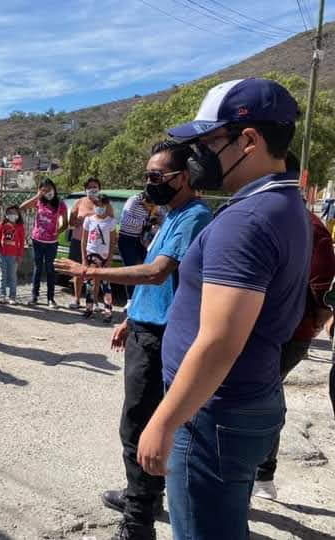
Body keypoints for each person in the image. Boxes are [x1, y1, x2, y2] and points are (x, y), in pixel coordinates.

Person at [134, 79, 308, 540]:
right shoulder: (283, 203)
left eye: (209, 142)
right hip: (241, 399)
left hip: (211, 412)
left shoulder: (246, 221)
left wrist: (166, 420)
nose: (197, 156)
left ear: (248, 141)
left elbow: (218, 341)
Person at [55, 140, 212, 540]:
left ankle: (138, 522)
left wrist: (89, 274)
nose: (149, 183)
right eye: (147, 176)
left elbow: (157, 273)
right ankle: (142, 495)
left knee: (139, 425)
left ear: (185, 177)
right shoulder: (169, 217)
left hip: (162, 337)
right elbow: (151, 281)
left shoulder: (193, 216)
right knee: (139, 421)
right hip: (145, 328)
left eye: (157, 176)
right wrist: (129, 317)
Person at [252, 207, 335, 500]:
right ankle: (259, 472)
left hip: (287, 333)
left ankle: (260, 473)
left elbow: (323, 290)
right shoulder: (258, 215)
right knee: (264, 394)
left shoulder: (310, 227)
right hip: (260, 328)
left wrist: (314, 325)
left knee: (261, 396)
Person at [21, 178, 68, 309]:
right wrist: (37, 196)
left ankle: (50, 298)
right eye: (44, 189)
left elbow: (65, 223)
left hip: (51, 243)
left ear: (54, 189)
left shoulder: (60, 204)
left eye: (50, 189)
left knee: (50, 269)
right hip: (37, 240)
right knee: (37, 268)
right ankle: (34, 296)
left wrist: (57, 232)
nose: (48, 192)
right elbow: (22, 207)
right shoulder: (39, 202)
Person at [67, 177, 113, 309]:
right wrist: (79, 221)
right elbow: (71, 222)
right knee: (79, 271)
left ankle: (95, 301)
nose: (93, 189)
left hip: (97, 245)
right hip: (78, 241)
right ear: (85, 189)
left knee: (95, 274)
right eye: (90, 187)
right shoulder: (79, 202)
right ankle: (76, 299)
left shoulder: (104, 203)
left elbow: (111, 219)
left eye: (95, 187)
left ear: (99, 188)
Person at [81, 194, 117, 323]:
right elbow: (84, 241)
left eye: (102, 205)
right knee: (90, 284)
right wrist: (84, 259)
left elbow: (112, 242)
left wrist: (109, 259)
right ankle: (89, 308)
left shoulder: (111, 222)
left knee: (105, 284)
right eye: (97, 205)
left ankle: (108, 311)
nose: (99, 207)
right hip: (90, 255)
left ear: (106, 206)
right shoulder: (89, 220)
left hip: (104, 256)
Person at [118, 192, 153, 301]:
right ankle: (130, 300)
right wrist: (145, 222)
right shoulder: (134, 200)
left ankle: (142, 299)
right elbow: (125, 218)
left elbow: (161, 216)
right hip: (127, 238)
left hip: (141, 239)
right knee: (130, 269)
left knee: (146, 269)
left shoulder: (155, 203)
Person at [0, 205, 25, 304]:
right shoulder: (2, 224)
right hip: (2, 254)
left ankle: (12, 296)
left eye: (14, 213)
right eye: (10, 213)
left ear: (18, 215)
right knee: (2, 275)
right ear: (6, 214)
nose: (12, 215)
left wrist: (20, 255)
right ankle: (2, 295)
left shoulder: (20, 227)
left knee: (12, 276)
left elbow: (21, 242)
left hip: (14, 256)